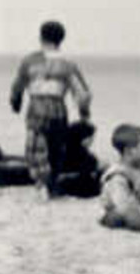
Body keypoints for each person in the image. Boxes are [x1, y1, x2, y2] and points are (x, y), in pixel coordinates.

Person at [9, 20, 93, 194]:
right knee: (56, 147)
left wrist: (16, 104)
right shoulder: (68, 65)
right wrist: (84, 113)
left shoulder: (30, 61)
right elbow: (82, 94)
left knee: (36, 148)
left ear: (41, 37)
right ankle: (52, 184)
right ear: (61, 40)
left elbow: (17, 87)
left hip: (36, 108)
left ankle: (41, 184)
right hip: (58, 108)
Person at [46, 119, 102, 198]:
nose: (92, 140)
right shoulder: (81, 155)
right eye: (90, 137)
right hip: (75, 187)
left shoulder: (64, 150)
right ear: (82, 138)